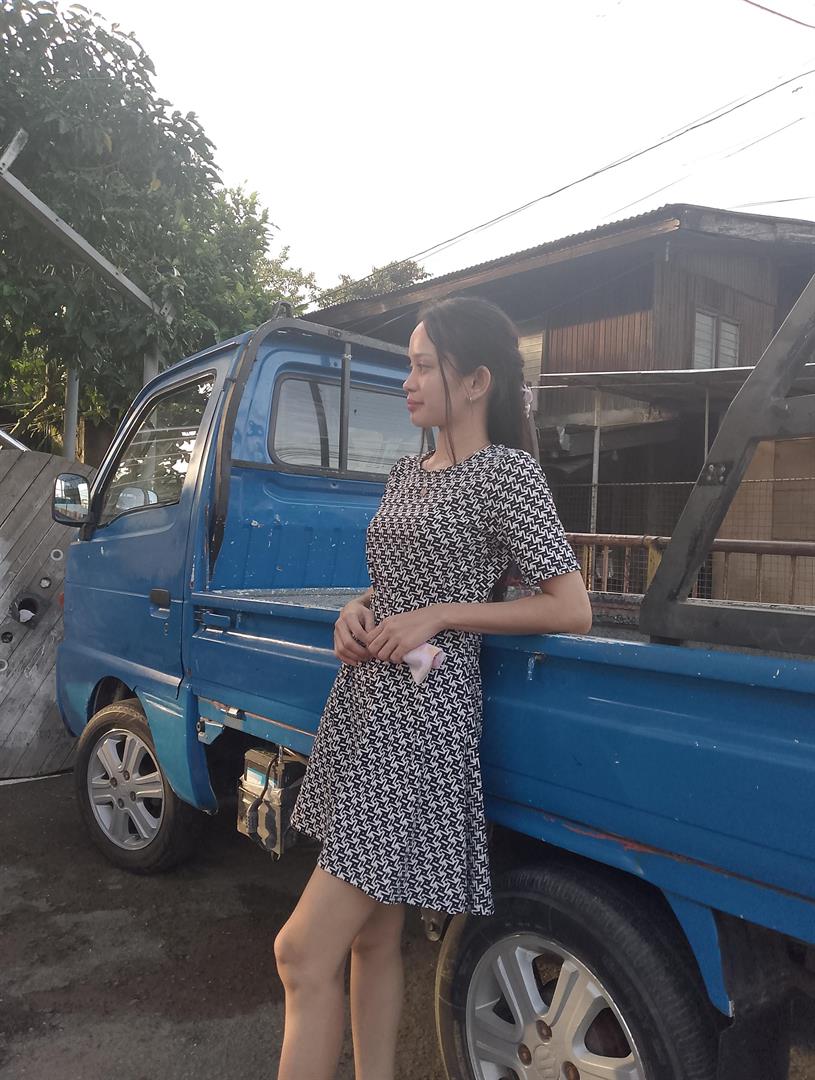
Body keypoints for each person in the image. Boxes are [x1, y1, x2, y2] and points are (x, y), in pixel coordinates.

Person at [274, 296, 593, 1080]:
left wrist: (442, 615)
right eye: (408, 365)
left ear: (476, 381)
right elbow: (396, 579)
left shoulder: (506, 474)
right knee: (370, 938)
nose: (407, 381)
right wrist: (358, 608)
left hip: (421, 724)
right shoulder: (405, 472)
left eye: (423, 366)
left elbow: (570, 606)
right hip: (364, 705)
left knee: (299, 954)